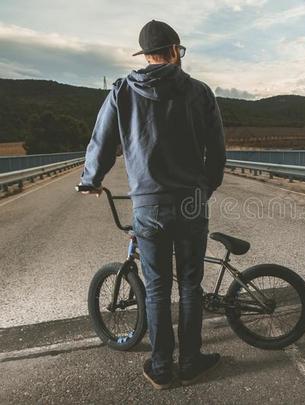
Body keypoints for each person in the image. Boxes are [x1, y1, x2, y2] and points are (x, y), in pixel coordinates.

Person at [79, 19, 226, 389]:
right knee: (190, 286)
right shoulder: (200, 91)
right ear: (175, 51)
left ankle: (161, 368)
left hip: (149, 206)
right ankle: (191, 362)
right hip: (191, 201)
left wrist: (91, 180)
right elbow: (217, 150)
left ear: (146, 56)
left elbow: (102, 140)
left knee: (158, 287)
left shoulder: (121, 92)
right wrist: (205, 188)